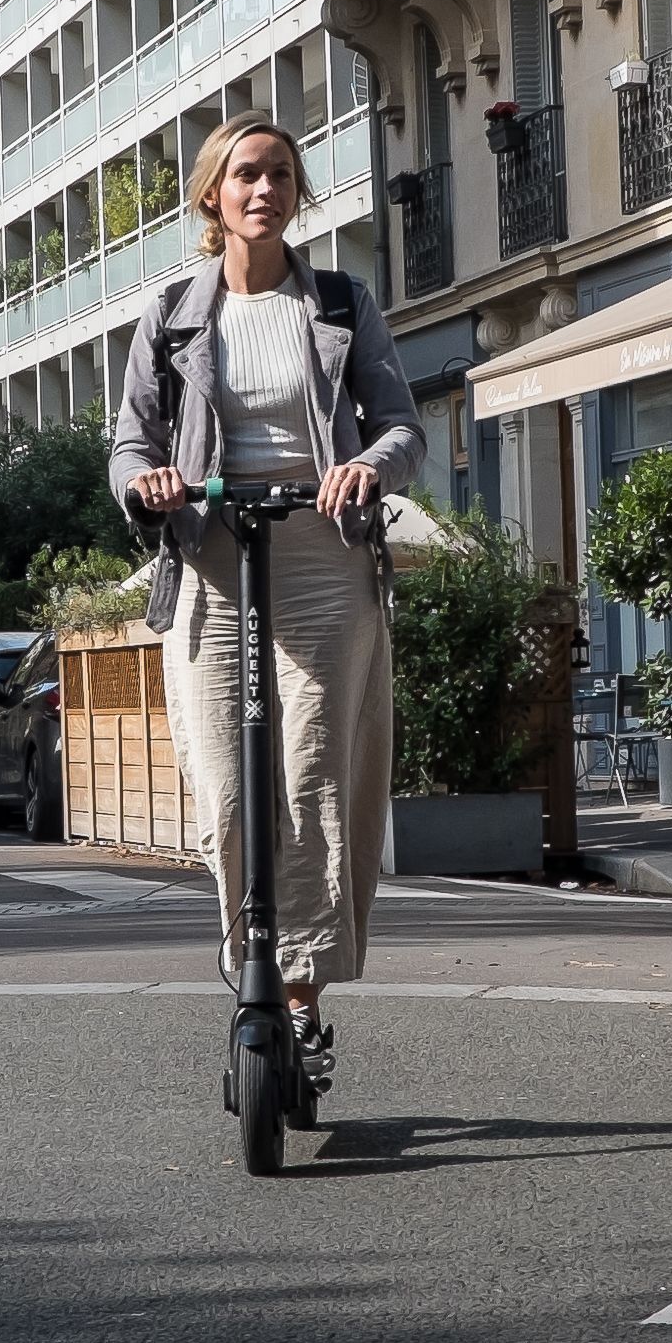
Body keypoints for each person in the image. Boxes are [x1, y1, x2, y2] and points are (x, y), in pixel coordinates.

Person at [110, 119, 417, 1041]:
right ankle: (251, 959)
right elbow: (130, 440)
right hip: (209, 552)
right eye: (246, 174)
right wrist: (147, 483)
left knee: (316, 777)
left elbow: (400, 425)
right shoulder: (171, 314)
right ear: (213, 194)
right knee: (228, 788)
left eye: (281, 174)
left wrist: (369, 466)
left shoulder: (337, 301)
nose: (264, 189)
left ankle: (301, 991)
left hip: (322, 556)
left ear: (296, 193)